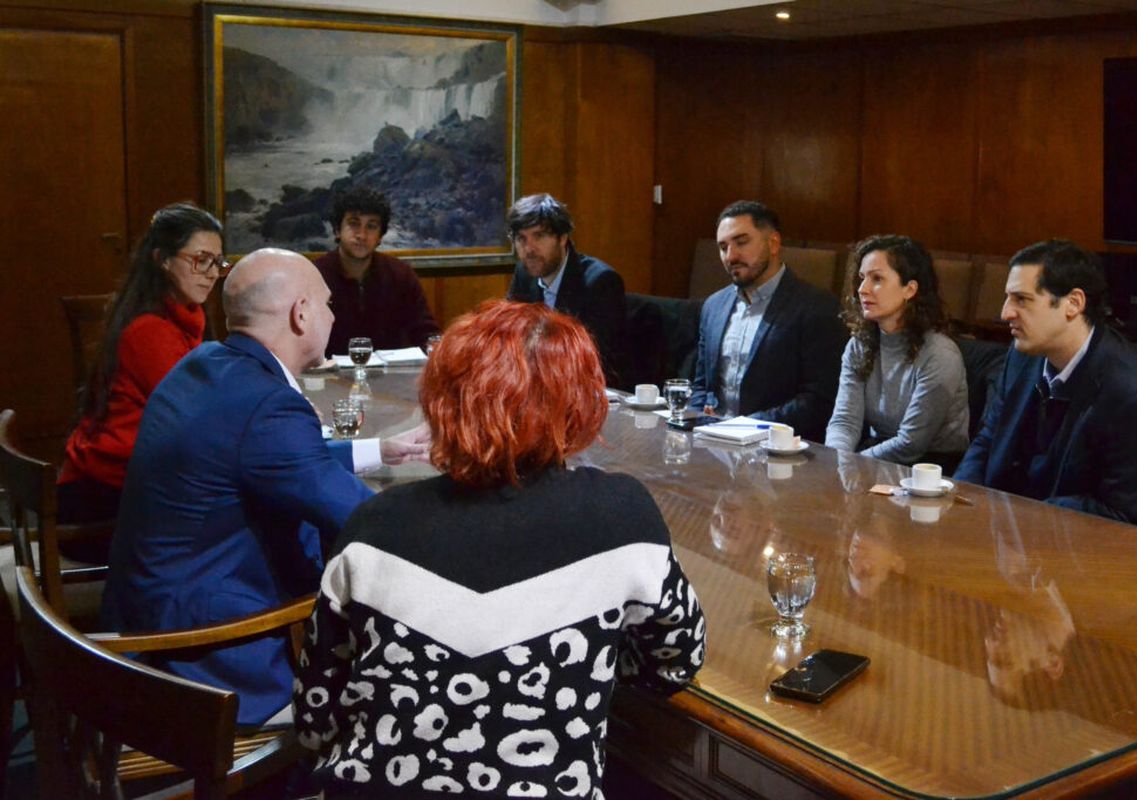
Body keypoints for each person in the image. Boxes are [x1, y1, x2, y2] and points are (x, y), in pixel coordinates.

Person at [294, 300, 705, 798]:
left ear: (443, 402)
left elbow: (316, 713)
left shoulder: (373, 524)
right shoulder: (622, 518)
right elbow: (677, 660)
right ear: (580, 404)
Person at [101, 248, 430, 726]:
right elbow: (364, 520)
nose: (332, 315)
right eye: (327, 304)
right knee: (396, 681)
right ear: (301, 314)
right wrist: (454, 520)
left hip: (148, 614)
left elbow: (263, 457)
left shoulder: (206, 364)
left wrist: (379, 450)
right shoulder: (268, 404)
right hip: (206, 657)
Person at [954, 239, 1137, 534]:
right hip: (1017, 538)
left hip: (1094, 554)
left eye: (1021, 299)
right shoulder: (1021, 357)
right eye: (1008, 298)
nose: (1005, 312)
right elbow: (988, 439)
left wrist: (1023, 517)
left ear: (1073, 303)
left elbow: (1125, 517)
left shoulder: (1136, 396)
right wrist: (961, 499)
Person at [58, 203, 225, 533]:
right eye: (200, 259)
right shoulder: (150, 330)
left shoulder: (183, 316)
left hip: (132, 479)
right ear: (163, 259)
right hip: (102, 499)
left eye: (217, 262)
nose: (212, 273)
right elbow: (199, 413)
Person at [690, 200, 846, 441]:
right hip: (712, 442)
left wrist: (746, 426)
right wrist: (702, 415)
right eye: (723, 247)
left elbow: (820, 399)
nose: (730, 256)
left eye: (741, 242)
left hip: (779, 449)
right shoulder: (713, 306)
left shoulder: (816, 306)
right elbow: (701, 385)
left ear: (773, 243)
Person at [824, 235, 969, 468]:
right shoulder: (859, 345)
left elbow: (911, 443)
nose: (862, 289)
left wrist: (851, 465)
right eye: (862, 278)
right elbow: (845, 420)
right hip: (873, 455)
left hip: (931, 468)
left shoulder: (940, 354)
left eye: (877, 279)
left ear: (909, 289)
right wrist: (836, 460)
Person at [506, 193, 627, 385]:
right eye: (521, 239)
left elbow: (592, 359)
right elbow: (509, 336)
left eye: (539, 236)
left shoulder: (600, 281)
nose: (529, 249)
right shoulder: (524, 273)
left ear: (562, 238)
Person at [313, 185, 440, 356]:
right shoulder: (315, 275)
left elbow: (426, 332)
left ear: (380, 236)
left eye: (371, 226)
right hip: (328, 376)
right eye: (353, 224)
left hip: (392, 377)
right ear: (337, 230)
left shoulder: (400, 275)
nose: (362, 235)